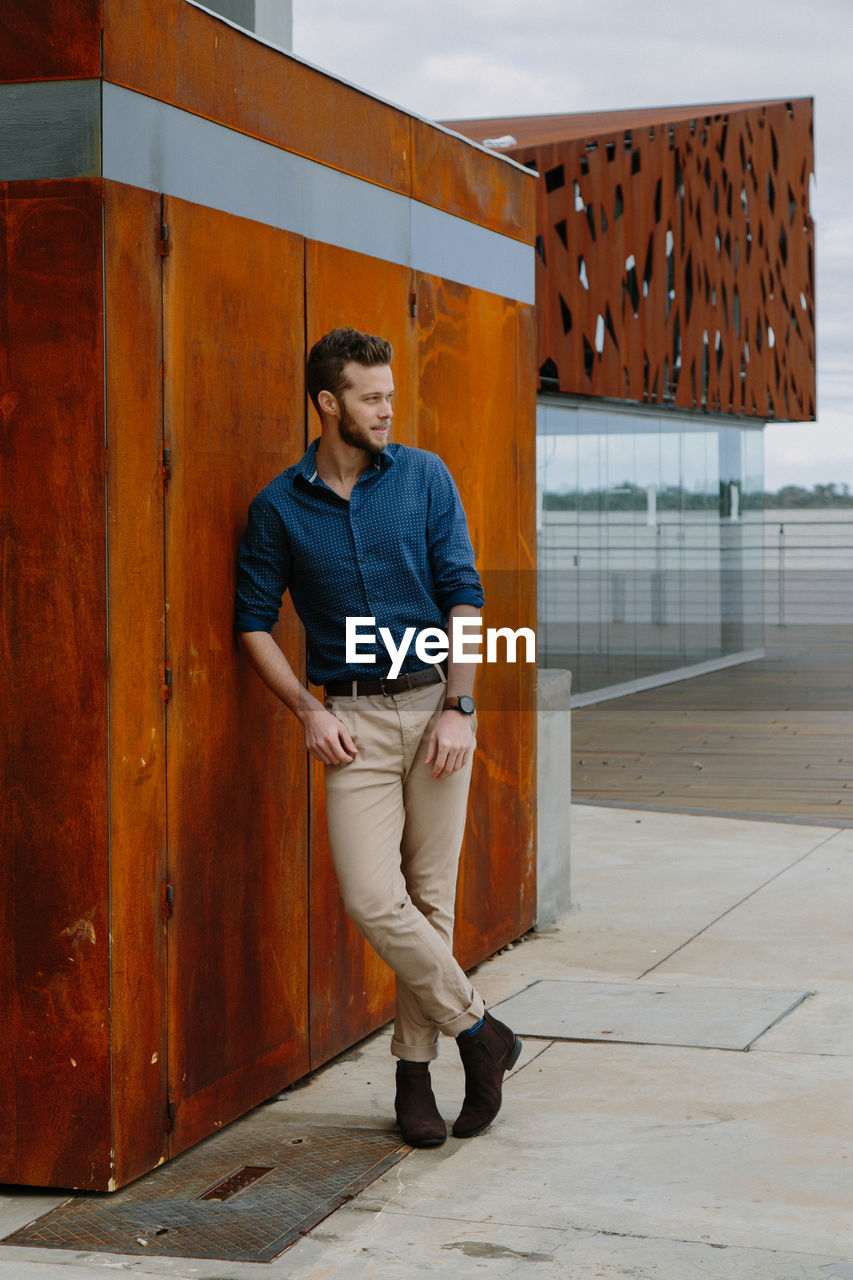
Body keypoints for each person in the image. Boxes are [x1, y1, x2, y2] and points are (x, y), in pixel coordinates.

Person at [234, 326, 521, 1147]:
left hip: (436, 706)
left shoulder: (425, 478)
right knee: (371, 895)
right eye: (370, 397)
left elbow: (464, 595)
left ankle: (413, 1075)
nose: (388, 409)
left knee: (430, 901)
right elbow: (252, 622)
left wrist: (461, 709)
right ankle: (483, 1032)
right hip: (351, 721)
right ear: (328, 405)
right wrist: (307, 709)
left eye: (390, 394)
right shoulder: (278, 507)